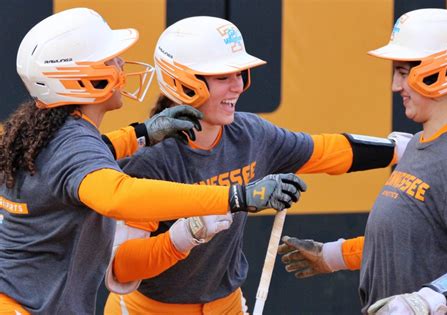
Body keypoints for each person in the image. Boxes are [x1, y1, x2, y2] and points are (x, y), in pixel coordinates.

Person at [0, 8, 308, 314]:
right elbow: (119, 196)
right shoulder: (73, 142)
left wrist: (141, 134)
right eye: (110, 60)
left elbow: (86, 157)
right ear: (81, 80)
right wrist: (236, 196)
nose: (121, 64)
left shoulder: (53, 132)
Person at [103, 16, 412, 314]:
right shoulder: (149, 158)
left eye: (240, 74)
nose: (238, 86)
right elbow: (122, 266)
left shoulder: (250, 133)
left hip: (226, 305)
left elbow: (326, 151)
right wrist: (186, 235)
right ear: (183, 83)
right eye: (223, 77)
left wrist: (405, 149)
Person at [278, 8, 447, 315]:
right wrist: (330, 256)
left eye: (403, 73)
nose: (396, 87)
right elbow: (408, 240)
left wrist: (427, 300)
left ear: (439, 72)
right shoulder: (421, 145)